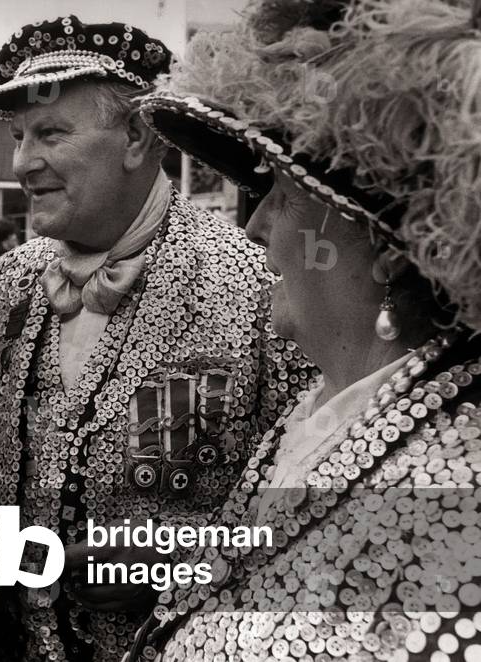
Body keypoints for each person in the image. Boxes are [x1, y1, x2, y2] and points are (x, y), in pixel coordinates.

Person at [0, 15, 313, 662]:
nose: (22, 164)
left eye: (50, 133)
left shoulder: (252, 284)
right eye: (18, 137)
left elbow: (320, 515)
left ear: (136, 136)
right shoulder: (3, 286)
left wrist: (188, 563)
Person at [126, 0, 481, 660]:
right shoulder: (315, 416)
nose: (254, 226)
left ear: (384, 248)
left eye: (281, 195)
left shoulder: (458, 492)